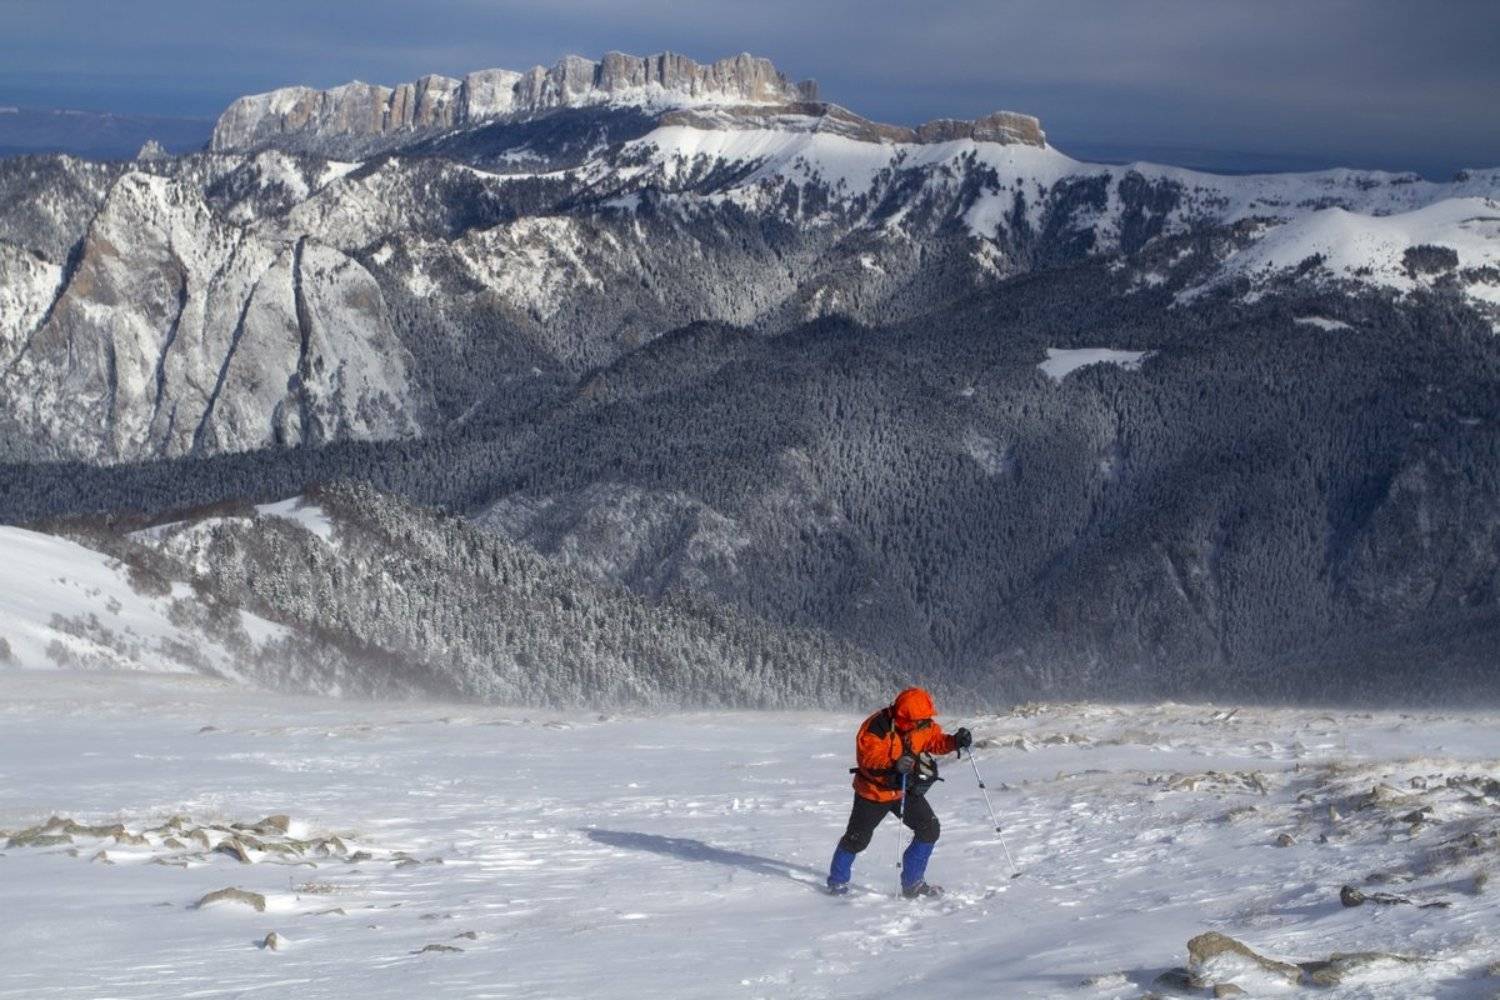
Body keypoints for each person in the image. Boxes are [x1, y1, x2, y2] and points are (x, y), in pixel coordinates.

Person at [827, 686, 972, 898]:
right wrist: (894, 765)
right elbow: (868, 760)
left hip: (905, 789)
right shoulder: (876, 727)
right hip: (874, 792)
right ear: (903, 717)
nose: (923, 723)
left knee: (929, 828)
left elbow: (934, 740)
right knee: (857, 839)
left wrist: (953, 741)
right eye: (918, 720)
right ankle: (837, 883)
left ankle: (913, 883)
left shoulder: (921, 723)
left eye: (925, 719)